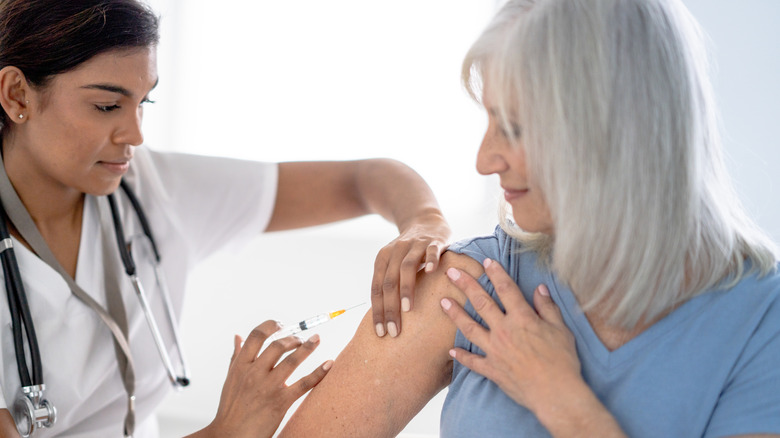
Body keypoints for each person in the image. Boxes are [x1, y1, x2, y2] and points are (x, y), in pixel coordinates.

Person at [279, 0, 780, 436]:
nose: (484, 160)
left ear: (616, 135)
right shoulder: (471, 282)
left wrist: (563, 401)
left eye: (515, 128)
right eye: (490, 119)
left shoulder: (761, 318)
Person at [0, 0, 452, 437]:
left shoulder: (152, 186)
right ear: (16, 94)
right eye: (107, 106)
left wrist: (425, 222)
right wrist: (227, 431)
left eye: (145, 103)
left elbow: (365, 178)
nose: (136, 134)